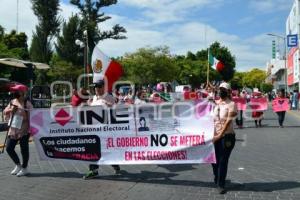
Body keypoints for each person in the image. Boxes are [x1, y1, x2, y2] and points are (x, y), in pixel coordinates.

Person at [83, 80, 121, 179]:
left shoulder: (109, 97)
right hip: (94, 130)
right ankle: (93, 170)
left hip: (106, 130)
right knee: (93, 149)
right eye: (95, 87)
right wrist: (89, 104)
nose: (97, 89)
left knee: (107, 149)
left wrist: (110, 105)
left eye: (99, 87)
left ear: (104, 87)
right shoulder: (94, 97)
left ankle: (115, 163)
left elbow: (116, 110)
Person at [212, 82, 237, 194]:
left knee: (222, 160)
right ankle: (217, 177)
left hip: (226, 136)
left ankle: (221, 183)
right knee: (213, 160)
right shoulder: (216, 103)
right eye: (220, 88)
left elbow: (228, 121)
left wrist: (219, 135)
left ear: (228, 91)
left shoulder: (232, 104)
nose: (221, 90)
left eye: (223, 89)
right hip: (214, 137)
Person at [3, 84, 33, 177]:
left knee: (24, 149)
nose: (15, 93)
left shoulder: (27, 104)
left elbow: (32, 118)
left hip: (24, 130)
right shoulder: (12, 101)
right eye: (14, 91)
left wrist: (31, 130)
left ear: (23, 92)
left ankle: (25, 168)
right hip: (13, 129)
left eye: (17, 91)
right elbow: (5, 112)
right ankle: (18, 165)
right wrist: (11, 110)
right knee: (9, 148)